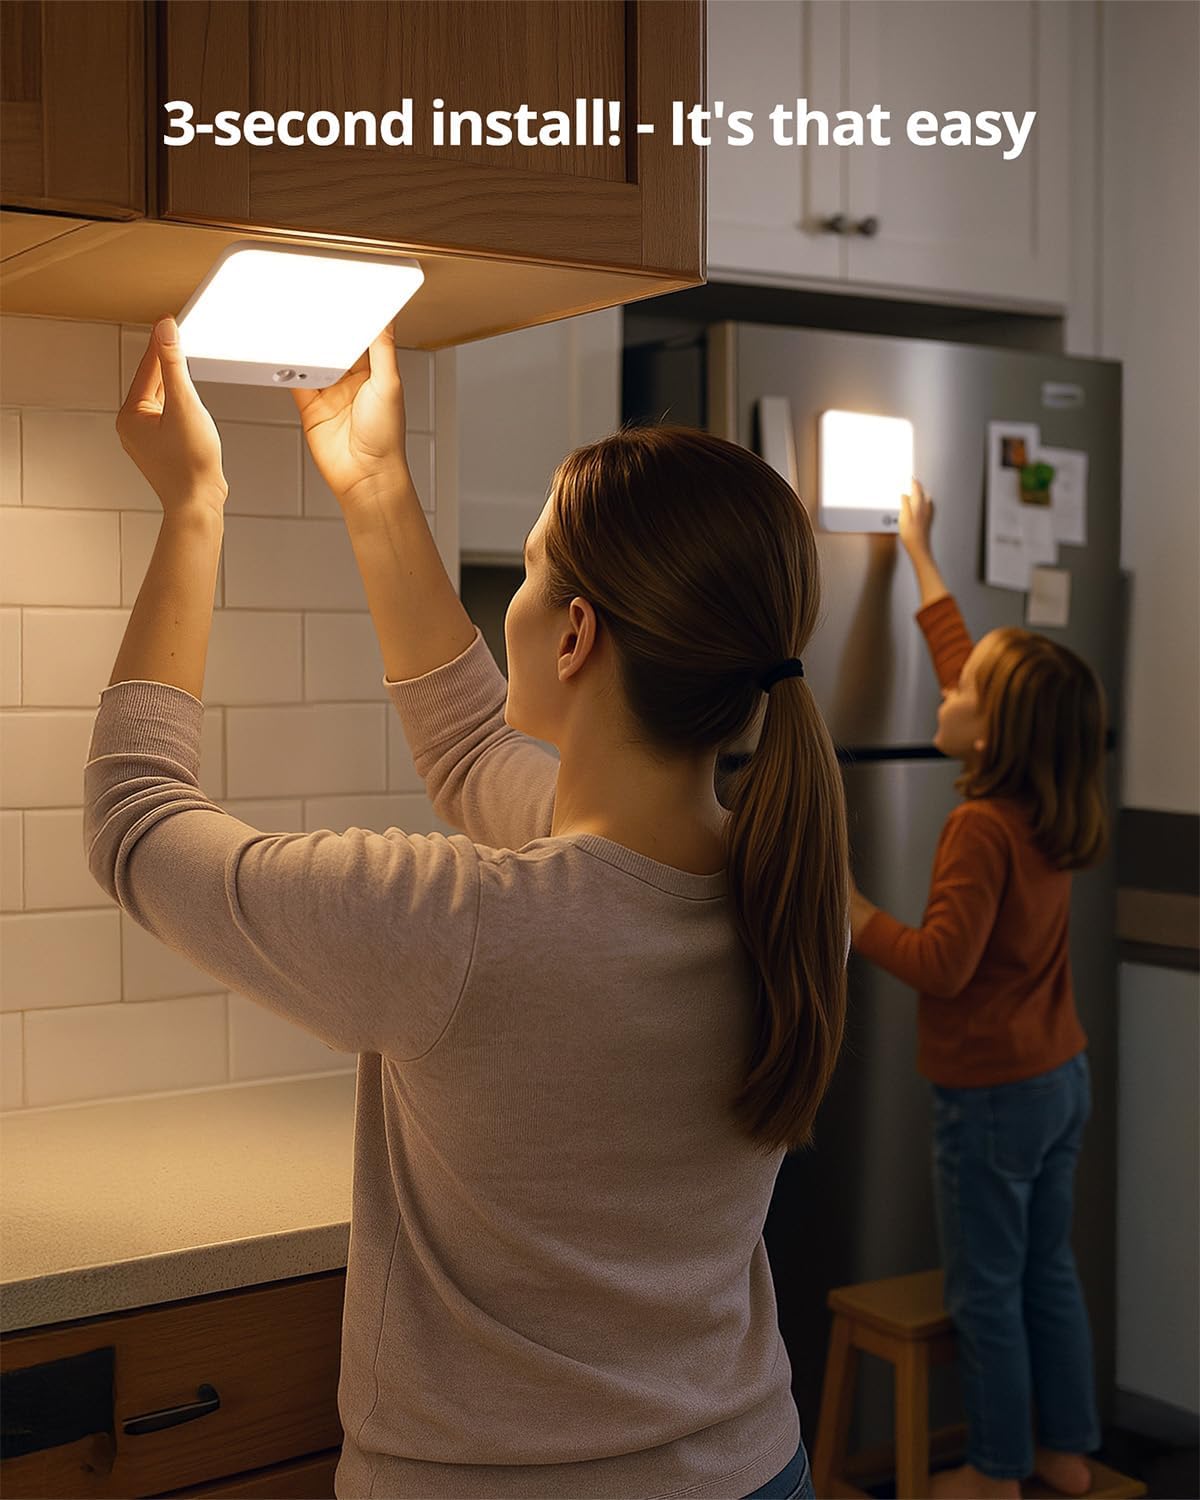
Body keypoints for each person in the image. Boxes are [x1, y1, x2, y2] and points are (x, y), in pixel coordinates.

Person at [86, 316, 851, 1499]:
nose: (523, 593)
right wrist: (374, 479)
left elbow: (133, 819)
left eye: (536, 568)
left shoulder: (463, 928)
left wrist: (193, 509)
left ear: (578, 636)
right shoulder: (781, 893)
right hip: (751, 1466)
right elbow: (469, 748)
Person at [849, 481, 1108, 1500]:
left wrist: (852, 912)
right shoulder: (1042, 800)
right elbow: (965, 661)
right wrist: (917, 551)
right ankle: (1066, 1452)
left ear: (990, 734)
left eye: (963, 696)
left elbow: (943, 965)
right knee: (1049, 1273)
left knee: (985, 1288)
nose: (944, 692)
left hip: (993, 1097)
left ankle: (996, 1472)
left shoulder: (976, 828)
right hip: (1059, 1078)